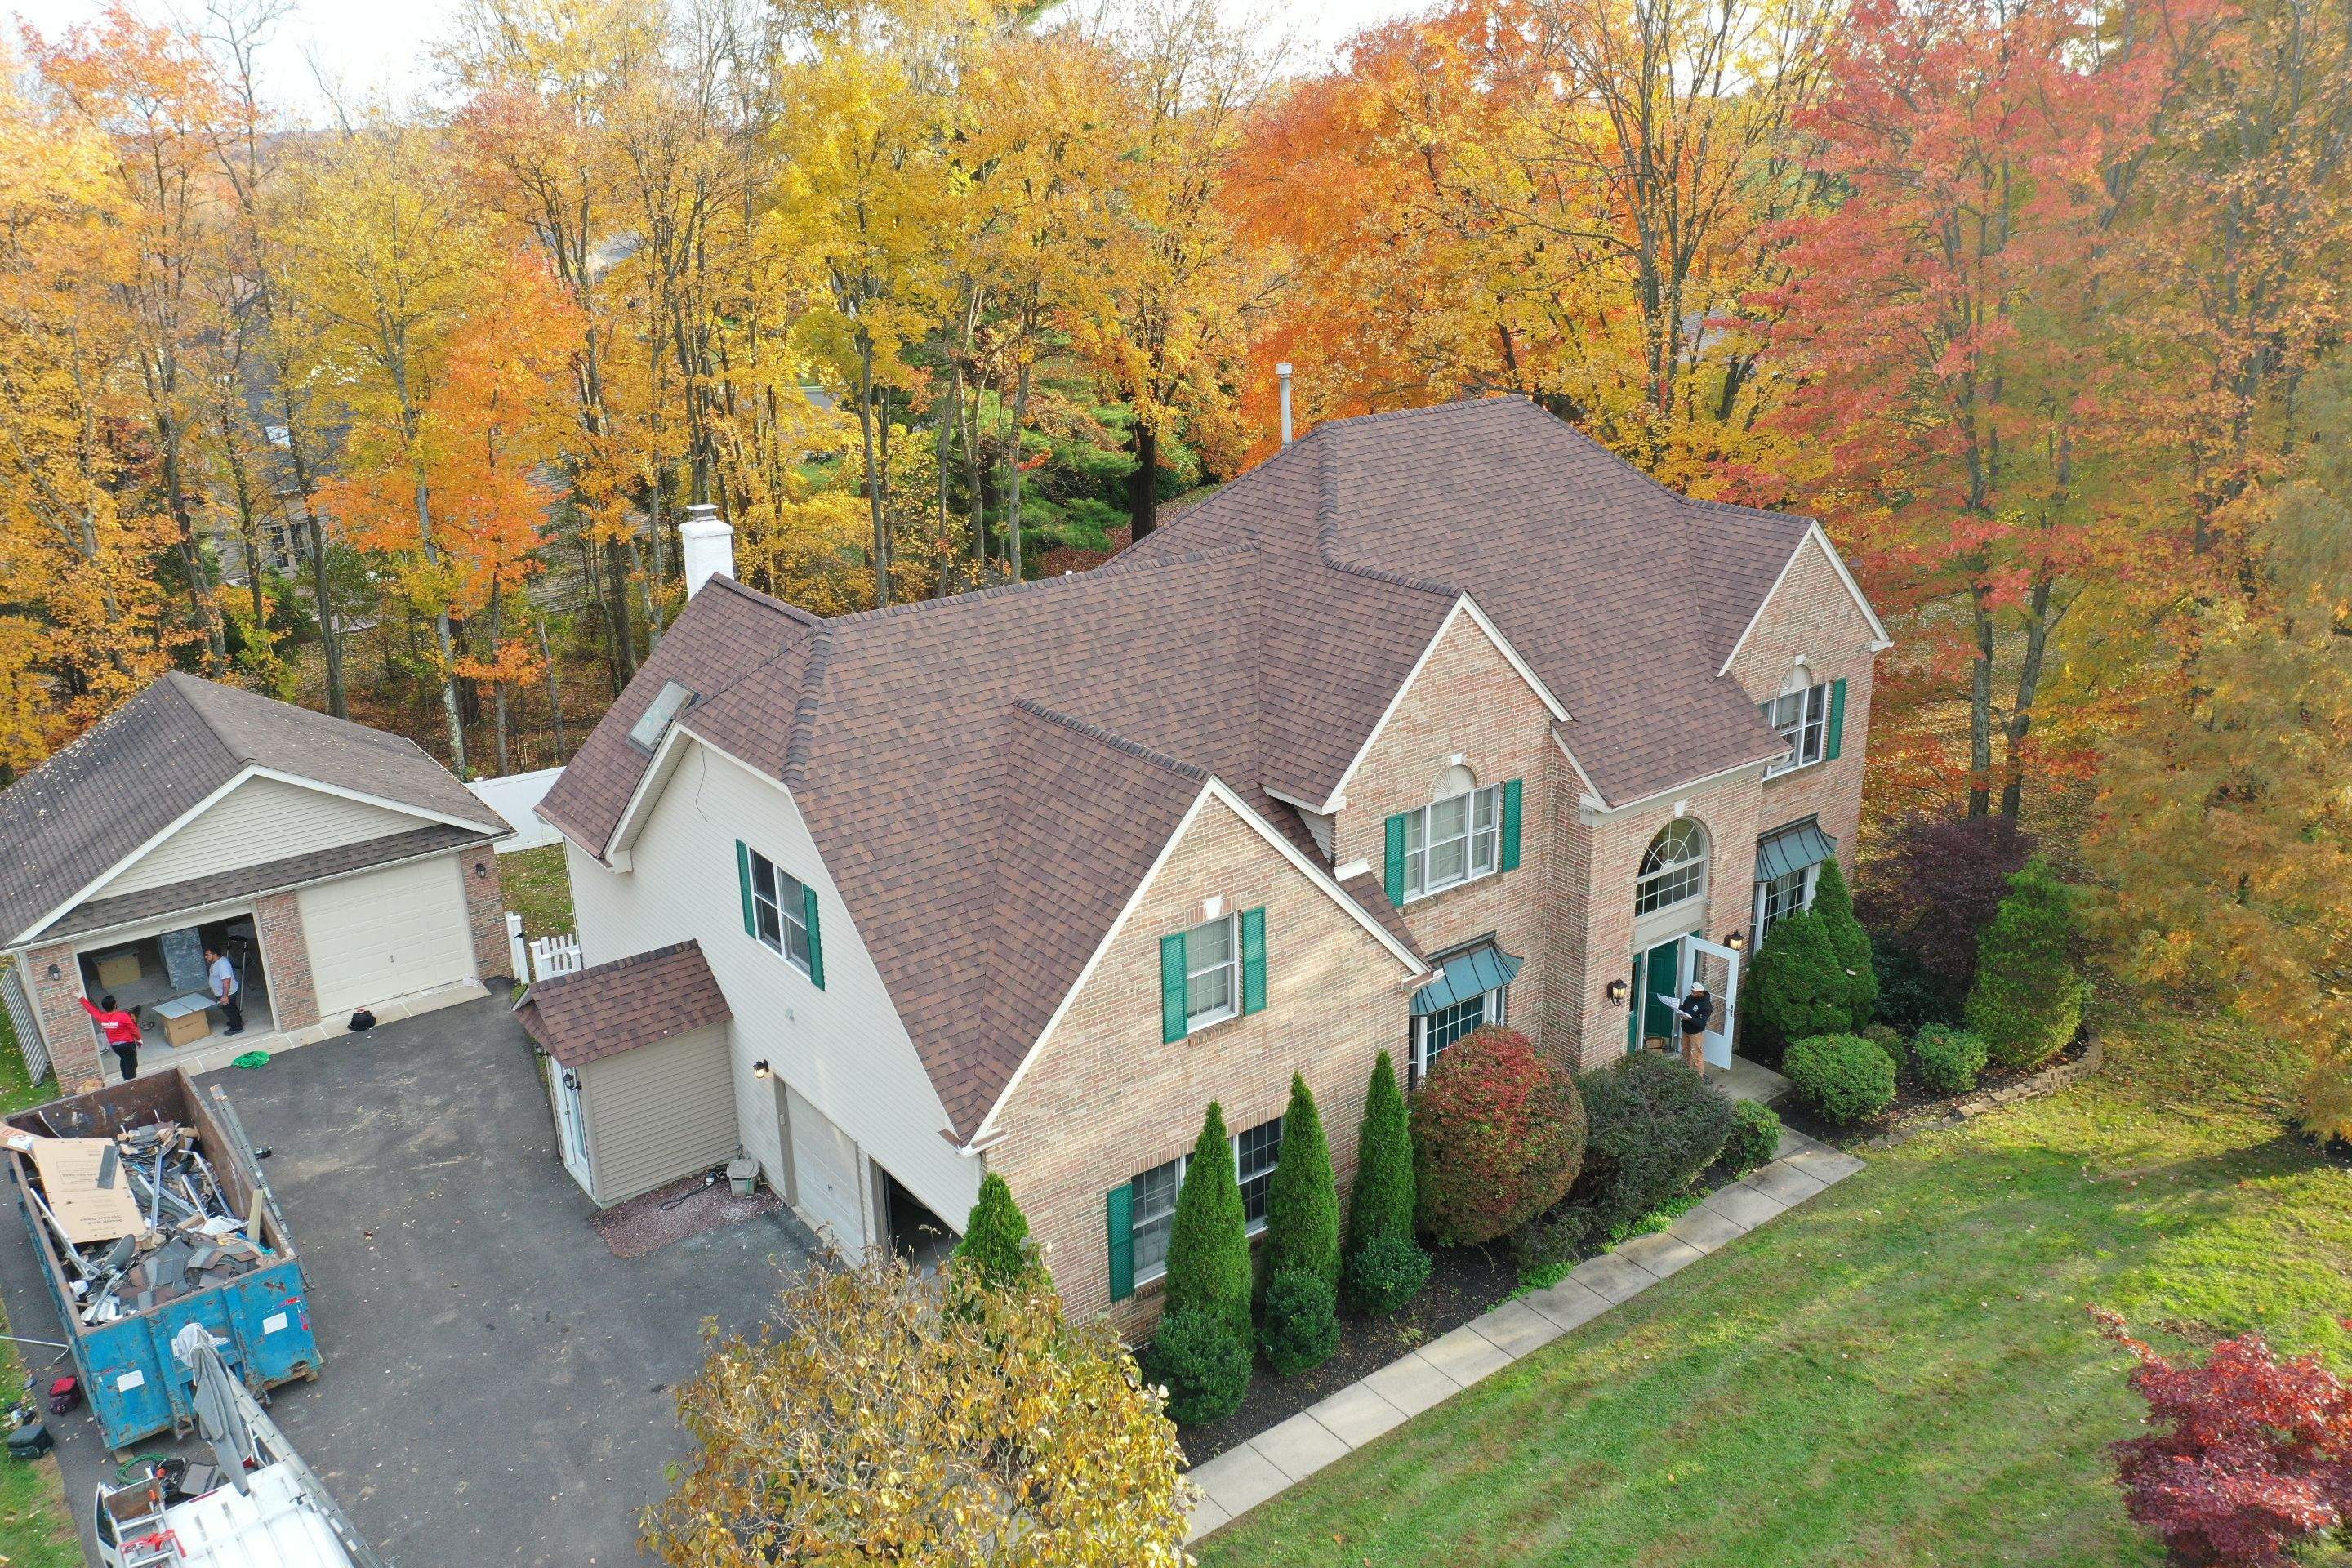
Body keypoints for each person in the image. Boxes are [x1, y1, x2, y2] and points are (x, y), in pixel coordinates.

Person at [78, 993, 143, 1081]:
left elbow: (91, 1009)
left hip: (115, 1047)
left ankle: (126, 1078)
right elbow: (134, 1030)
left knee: (124, 1059)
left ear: (104, 1007)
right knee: (132, 1064)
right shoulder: (123, 1016)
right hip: (127, 1045)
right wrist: (139, 1040)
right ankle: (130, 1083)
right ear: (115, 1004)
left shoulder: (102, 1017)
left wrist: (81, 998)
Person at [205, 944, 244, 1036]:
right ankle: (237, 1021)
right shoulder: (217, 962)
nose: (206, 956)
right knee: (232, 1008)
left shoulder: (222, 965)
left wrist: (224, 996)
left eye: (208, 954)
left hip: (228, 993)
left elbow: (227, 982)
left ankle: (237, 1027)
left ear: (214, 954)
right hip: (224, 993)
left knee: (229, 1010)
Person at [1677, 983, 1713, 1073]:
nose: (1692, 994)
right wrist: (1676, 1007)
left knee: (1696, 1056)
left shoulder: (1706, 1005)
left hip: (1695, 1033)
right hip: (1685, 1030)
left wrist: (1689, 1019)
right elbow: (1684, 1007)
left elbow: (1701, 1022)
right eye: (1692, 991)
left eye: (1694, 992)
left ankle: (1697, 1079)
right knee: (1685, 1052)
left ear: (1701, 992)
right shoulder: (1689, 998)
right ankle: (1686, 1074)